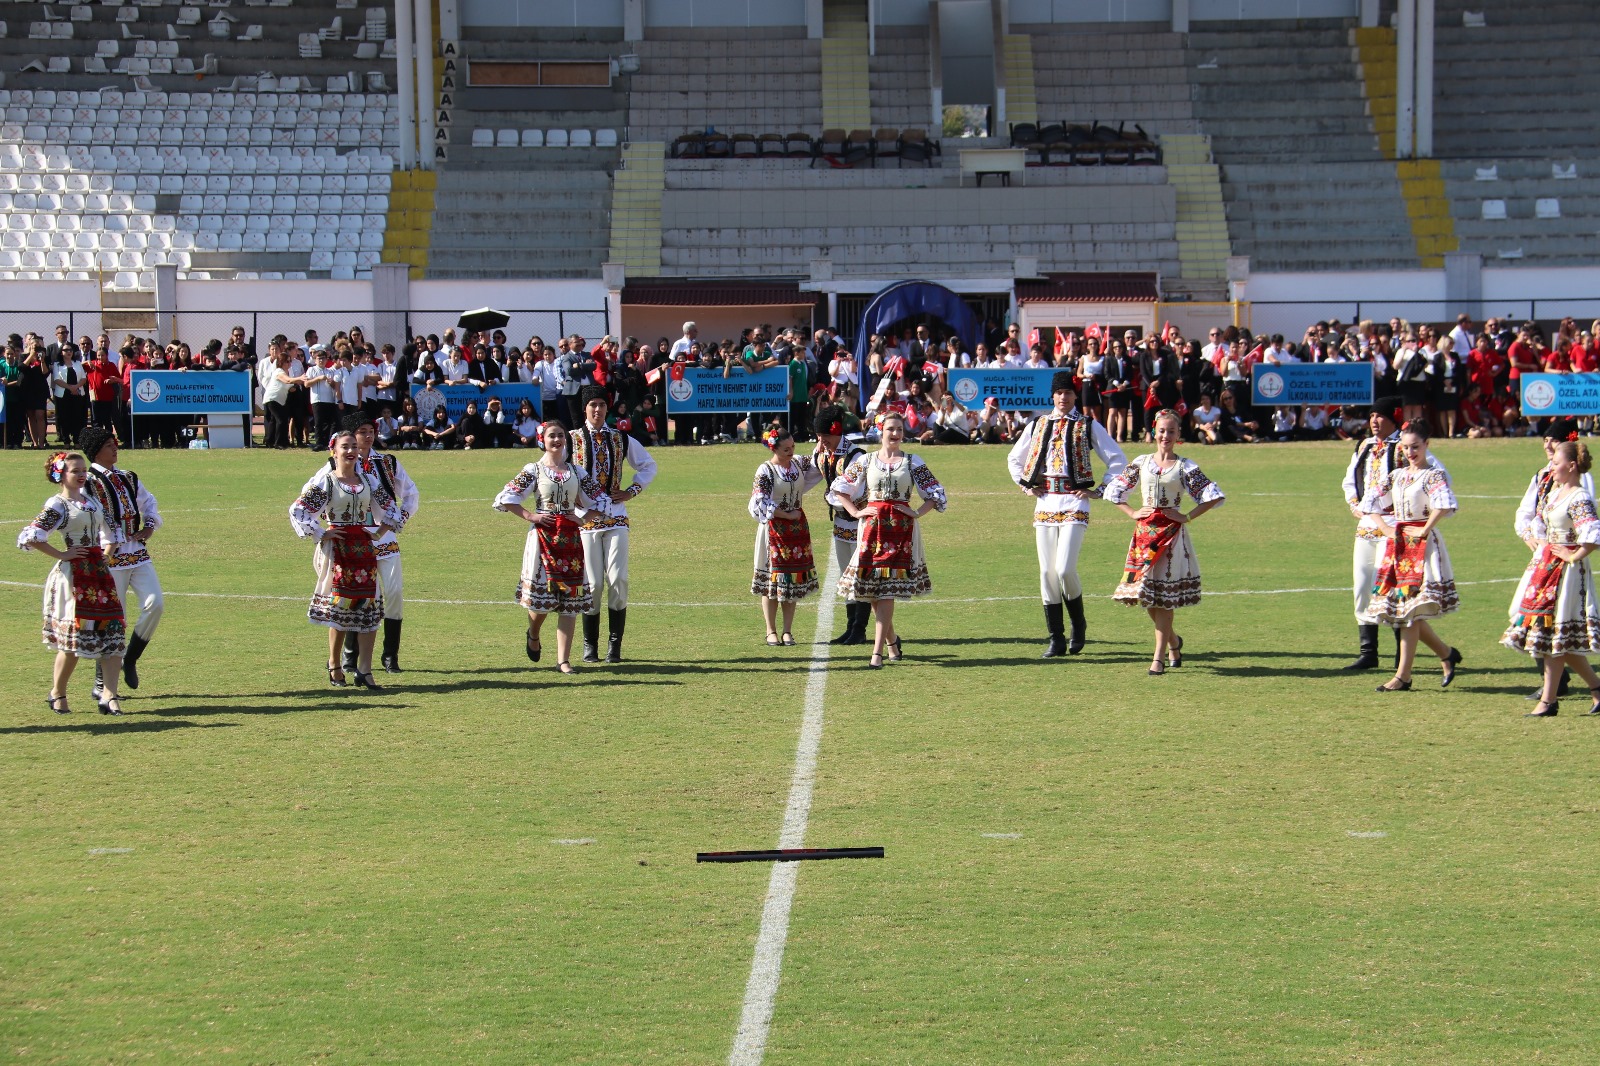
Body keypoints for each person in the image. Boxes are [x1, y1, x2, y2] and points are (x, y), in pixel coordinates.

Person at [1005, 371, 1129, 657]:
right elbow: (1014, 457)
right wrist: (1026, 486)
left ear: (1075, 396)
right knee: (1047, 571)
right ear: (1053, 396)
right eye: (1059, 393)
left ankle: (1078, 623)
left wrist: (1100, 490)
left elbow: (1117, 460)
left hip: (1075, 502)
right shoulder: (1038, 424)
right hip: (1045, 499)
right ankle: (1056, 637)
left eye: (1068, 393)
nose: (1063, 397)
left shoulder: (1087, 425)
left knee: (1064, 568)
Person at [1105, 409, 1225, 675]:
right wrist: (1133, 512)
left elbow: (1213, 495)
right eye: (1161, 430)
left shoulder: (1185, 466)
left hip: (1172, 537)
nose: (1165, 436)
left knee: (1165, 598)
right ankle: (1173, 641)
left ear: (1178, 434)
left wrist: (1186, 517)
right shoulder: (1142, 461)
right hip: (1145, 536)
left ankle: (1158, 658)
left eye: (1171, 431)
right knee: (1146, 595)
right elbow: (1114, 490)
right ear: (1154, 431)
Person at [827, 409, 948, 669]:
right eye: (891, 429)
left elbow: (935, 493)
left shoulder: (912, 461)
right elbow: (840, 488)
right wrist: (856, 511)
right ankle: (892, 643)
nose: (895, 434)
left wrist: (916, 512)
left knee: (888, 591)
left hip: (901, 531)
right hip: (871, 529)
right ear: (880, 431)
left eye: (899, 430)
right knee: (871, 590)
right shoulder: (867, 460)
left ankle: (877, 652)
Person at [289, 428, 402, 689]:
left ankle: (364, 670)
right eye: (345, 447)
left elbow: (391, 507)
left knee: (369, 607)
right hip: (338, 551)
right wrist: (322, 532)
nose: (351, 451)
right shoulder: (326, 482)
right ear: (334, 451)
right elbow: (299, 510)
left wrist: (379, 532)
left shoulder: (367, 481)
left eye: (354, 446)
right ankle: (334, 665)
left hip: (363, 550)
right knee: (340, 608)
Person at [17, 451, 128, 715]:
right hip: (73, 577)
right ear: (61, 475)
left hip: (99, 575)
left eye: (83, 470)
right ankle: (58, 692)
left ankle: (110, 696)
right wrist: (62, 554)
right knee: (73, 643)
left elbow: (112, 532)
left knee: (113, 635)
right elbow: (31, 536)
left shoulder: (91, 501)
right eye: (74, 471)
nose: (81, 475)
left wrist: (106, 554)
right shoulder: (58, 505)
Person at [1340, 399, 1446, 671]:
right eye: (1372, 415)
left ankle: (1402, 655)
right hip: (1367, 524)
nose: (1374, 420)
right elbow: (1351, 479)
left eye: (1380, 416)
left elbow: (1437, 475)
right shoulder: (1364, 445)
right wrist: (1355, 503)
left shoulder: (1407, 446)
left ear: (1393, 419)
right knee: (1362, 585)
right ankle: (1368, 651)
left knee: (1394, 590)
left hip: (1398, 528)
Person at [493, 422, 605, 675]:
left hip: (571, 540)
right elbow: (506, 497)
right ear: (541, 439)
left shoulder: (576, 472)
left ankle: (563, 660)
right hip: (543, 538)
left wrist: (584, 518)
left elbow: (600, 499)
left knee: (570, 600)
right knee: (543, 601)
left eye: (560, 435)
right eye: (551, 436)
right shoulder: (533, 470)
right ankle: (533, 632)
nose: (557, 440)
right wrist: (530, 516)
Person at [1362, 420, 1463, 693]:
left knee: (1409, 612)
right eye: (1406, 447)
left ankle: (1403, 675)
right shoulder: (1397, 475)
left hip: (1422, 546)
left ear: (1427, 445)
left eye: (1415, 447)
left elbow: (1444, 505)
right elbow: (1369, 502)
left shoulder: (1433, 475)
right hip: (1399, 545)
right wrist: (1385, 528)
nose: (1410, 452)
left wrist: (1425, 530)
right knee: (1407, 611)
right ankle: (1446, 653)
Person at [1503, 440, 1600, 717]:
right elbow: (1539, 523)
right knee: (1555, 637)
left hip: (1568, 574)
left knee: (1554, 634)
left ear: (1571, 466)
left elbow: (1592, 534)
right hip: (1547, 567)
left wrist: (1573, 556)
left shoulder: (1579, 496)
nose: (1551, 467)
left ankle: (1548, 700)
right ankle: (1596, 688)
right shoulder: (1555, 493)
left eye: (1556, 463)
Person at [569, 385, 657, 663]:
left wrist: (631, 491)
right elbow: (556, 473)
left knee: (618, 578)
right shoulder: (571, 440)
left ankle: (614, 646)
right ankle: (589, 645)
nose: (597, 410)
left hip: (616, 516)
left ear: (607, 408)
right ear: (585, 408)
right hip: (585, 520)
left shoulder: (620, 438)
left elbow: (648, 465)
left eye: (602, 405)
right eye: (593, 405)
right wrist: (573, 501)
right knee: (593, 584)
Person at [77, 425, 163, 697]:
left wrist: (149, 525)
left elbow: (149, 503)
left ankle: (131, 658)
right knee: (114, 620)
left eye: (114, 443)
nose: (115, 448)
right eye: (108, 445)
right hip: (108, 557)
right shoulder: (87, 482)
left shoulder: (128, 477)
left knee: (155, 603)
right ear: (95, 452)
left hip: (136, 551)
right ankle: (102, 682)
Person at [334, 412, 420, 675]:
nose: (368, 436)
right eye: (362, 431)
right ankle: (350, 655)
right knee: (358, 595)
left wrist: (395, 522)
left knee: (393, 591)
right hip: (353, 539)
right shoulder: (335, 466)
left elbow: (410, 494)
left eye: (371, 430)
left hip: (384, 537)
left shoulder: (387, 462)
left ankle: (390, 655)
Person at [749, 426, 824, 646]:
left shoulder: (798, 463)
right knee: (772, 581)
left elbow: (817, 461)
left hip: (797, 529)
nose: (791, 451)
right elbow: (759, 502)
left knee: (792, 579)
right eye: (786, 449)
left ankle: (788, 630)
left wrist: (820, 447)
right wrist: (786, 514)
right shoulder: (765, 470)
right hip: (774, 530)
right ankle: (770, 630)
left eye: (793, 447)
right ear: (774, 448)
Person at [812, 405, 871, 644]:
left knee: (862, 575)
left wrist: (829, 497)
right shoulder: (823, 454)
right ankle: (851, 626)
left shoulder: (855, 456)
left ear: (837, 432)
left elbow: (849, 491)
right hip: (840, 523)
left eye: (825, 437)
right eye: (819, 438)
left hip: (860, 522)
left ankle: (859, 628)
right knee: (846, 574)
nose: (822, 442)